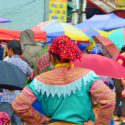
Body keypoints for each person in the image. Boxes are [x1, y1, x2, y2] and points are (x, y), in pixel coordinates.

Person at [12, 36, 115, 125]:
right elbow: (109, 100)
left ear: (51, 57)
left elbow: (19, 105)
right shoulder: (87, 77)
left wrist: (40, 119)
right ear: (72, 56)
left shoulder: (40, 81)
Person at [1, 40, 33, 125]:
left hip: (7, 99)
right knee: (17, 122)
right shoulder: (25, 64)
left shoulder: (6, 62)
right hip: (19, 99)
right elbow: (32, 75)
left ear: (10, 50)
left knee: (3, 121)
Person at [114, 45, 125, 122]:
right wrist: (122, 80)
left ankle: (116, 115)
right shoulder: (121, 58)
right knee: (122, 98)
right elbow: (118, 70)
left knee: (118, 98)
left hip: (121, 80)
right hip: (119, 80)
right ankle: (122, 116)